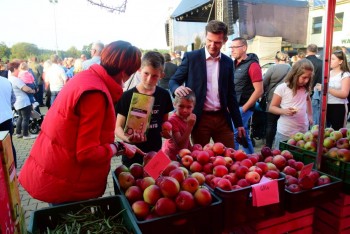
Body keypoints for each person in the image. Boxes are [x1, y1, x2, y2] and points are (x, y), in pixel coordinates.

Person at [18, 40, 144, 204]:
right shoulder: (95, 95)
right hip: (68, 181)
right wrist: (117, 146)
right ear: (123, 73)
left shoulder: (85, 78)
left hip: (56, 168)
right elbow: (87, 153)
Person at [169, 20, 245, 148]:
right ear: (205, 36)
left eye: (217, 42)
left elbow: (231, 95)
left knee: (229, 157)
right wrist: (176, 88)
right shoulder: (191, 57)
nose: (212, 45)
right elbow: (173, 81)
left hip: (222, 119)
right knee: (200, 159)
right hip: (200, 118)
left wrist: (239, 123)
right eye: (209, 40)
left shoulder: (227, 62)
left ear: (225, 41)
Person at [115, 51, 174, 167]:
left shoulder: (164, 95)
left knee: (157, 183)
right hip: (131, 153)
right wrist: (128, 138)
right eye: (146, 73)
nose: (149, 79)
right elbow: (117, 128)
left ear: (162, 75)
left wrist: (167, 133)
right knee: (133, 183)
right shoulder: (126, 96)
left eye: (155, 76)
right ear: (139, 70)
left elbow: (165, 123)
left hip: (155, 153)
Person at [269, 59, 314, 149]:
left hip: (303, 131)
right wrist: (284, 111)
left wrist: (310, 115)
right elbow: (272, 107)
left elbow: (308, 100)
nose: (306, 80)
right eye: (304, 77)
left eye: (308, 78)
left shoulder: (305, 88)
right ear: (295, 75)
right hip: (286, 132)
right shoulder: (282, 88)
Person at [230, 37, 264, 153]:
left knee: (233, 135)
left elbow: (259, 90)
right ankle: (251, 157)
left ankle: (232, 161)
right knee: (242, 133)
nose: (232, 50)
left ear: (244, 48)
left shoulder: (253, 65)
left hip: (243, 107)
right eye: (231, 47)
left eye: (235, 47)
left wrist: (243, 109)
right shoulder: (233, 64)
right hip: (234, 107)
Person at [263, 51, 291, 148]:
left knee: (270, 123)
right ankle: (279, 145)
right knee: (282, 122)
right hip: (285, 99)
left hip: (272, 98)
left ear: (276, 59)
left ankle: (268, 146)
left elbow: (264, 82)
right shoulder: (290, 69)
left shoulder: (272, 68)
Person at [161, 92, 196, 160]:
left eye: (189, 107)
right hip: (170, 156)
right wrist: (190, 126)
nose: (185, 110)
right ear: (174, 104)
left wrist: (191, 149)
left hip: (181, 155)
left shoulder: (189, 118)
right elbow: (180, 144)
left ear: (193, 106)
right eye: (181, 106)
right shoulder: (172, 121)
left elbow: (186, 139)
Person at [7, 61, 37, 140]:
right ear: (14, 69)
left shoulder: (10, 79)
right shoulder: (16, 80)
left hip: (17, 103)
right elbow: (26, 89)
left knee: (20, 117)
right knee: (25, 118)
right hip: (23, 102)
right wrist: (33, 91)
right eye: (18, 69)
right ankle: (26, 135)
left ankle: (18, 133)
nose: (20, 70)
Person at [321, 50, 349, 130]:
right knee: (324, 132)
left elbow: (344, 94)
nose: (330, 61)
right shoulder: (328, 73)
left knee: (338, 132)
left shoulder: (345, 74)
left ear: (340, 61)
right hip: (325, 106)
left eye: (333, 59)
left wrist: (326, 89)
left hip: (338, 106)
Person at [0, 75, 17, 168]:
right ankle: (13, 173)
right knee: (9, 146)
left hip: (5, 117)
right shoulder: (6, 81)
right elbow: (13, 100)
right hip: (6, 118)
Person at [305, 44, 323, 125]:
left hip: (304, 93)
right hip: (317, 93)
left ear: (307, 50)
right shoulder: (322, 63)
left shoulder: (303, 62)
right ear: (316, 51)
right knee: (315, 117)